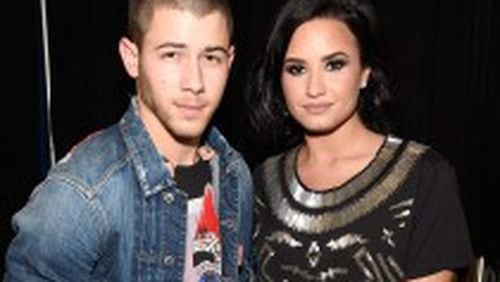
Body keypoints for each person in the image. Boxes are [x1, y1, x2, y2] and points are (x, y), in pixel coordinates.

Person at [4, 0, 254, 280]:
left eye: (211, 58)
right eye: (171, 55)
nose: (194, 82)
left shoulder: (234, 174)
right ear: (131, 58)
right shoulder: (81, 195)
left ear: (229, 62)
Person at [247, 0, 474, 280]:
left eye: (334, 65)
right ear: (279, 80)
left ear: (365, 72)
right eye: (297, 69)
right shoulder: (261, 183)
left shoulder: (423, 176)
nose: (314, 88)